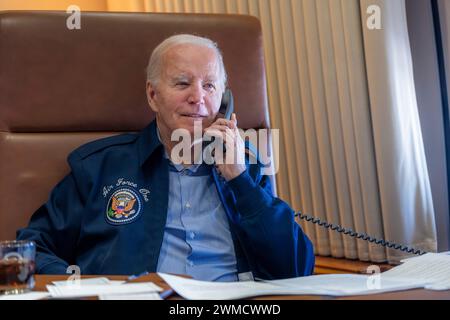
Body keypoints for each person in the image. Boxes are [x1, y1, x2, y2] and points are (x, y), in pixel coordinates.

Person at [17, 34, 314, 281]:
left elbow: (295, 269)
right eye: (183, 83)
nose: (198, 97)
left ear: (224, 100)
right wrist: (87, 289)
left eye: (209, 85)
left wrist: (241, 181)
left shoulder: (246, 167)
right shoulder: (99, 168)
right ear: (152, 95)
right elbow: (31, 250)